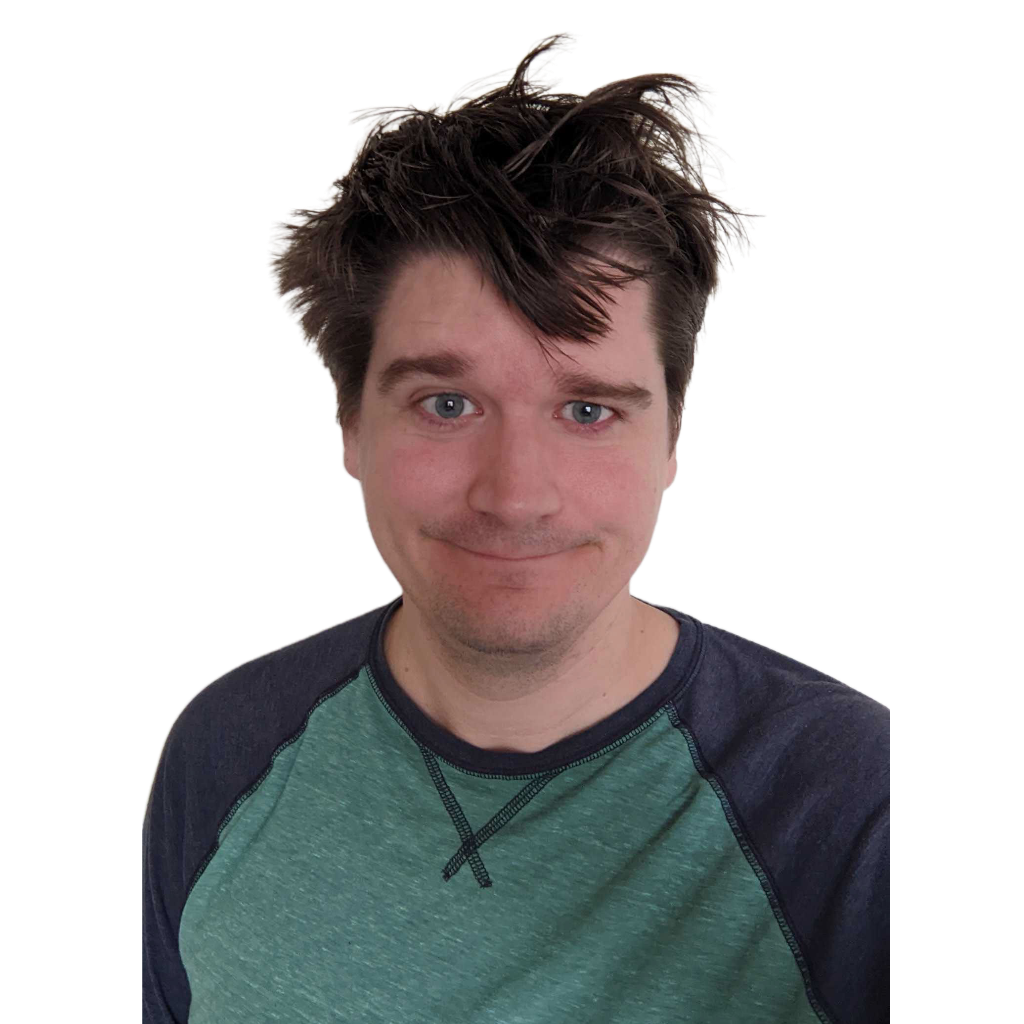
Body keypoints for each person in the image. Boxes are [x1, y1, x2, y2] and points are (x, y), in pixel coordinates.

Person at [144, 30, 888, 1024]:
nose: (514, 496)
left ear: (673, 439)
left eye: (587, 409)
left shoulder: (856, 803)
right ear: (350, 426)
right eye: (446, 404)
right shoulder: (224, 747)